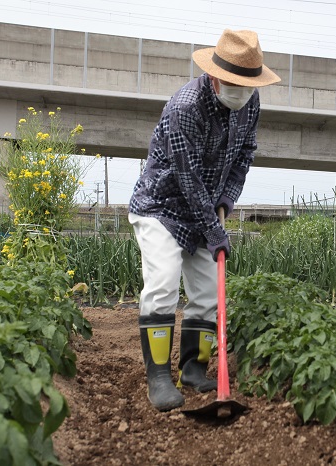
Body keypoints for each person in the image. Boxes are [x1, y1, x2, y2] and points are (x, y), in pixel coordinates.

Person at [128, 29, 280, 411]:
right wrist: (214, 230)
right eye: (234, 83)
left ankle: (193, 370)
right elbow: (187, 177)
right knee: (162, 283)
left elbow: (245, 154)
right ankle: (159, 377)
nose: (241, 91)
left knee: (209, 293)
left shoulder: (250, 101)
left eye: (248, 84)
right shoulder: (185, 107)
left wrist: (227, 200)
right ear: (215, 76)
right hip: (161, 207)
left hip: (205, 211)